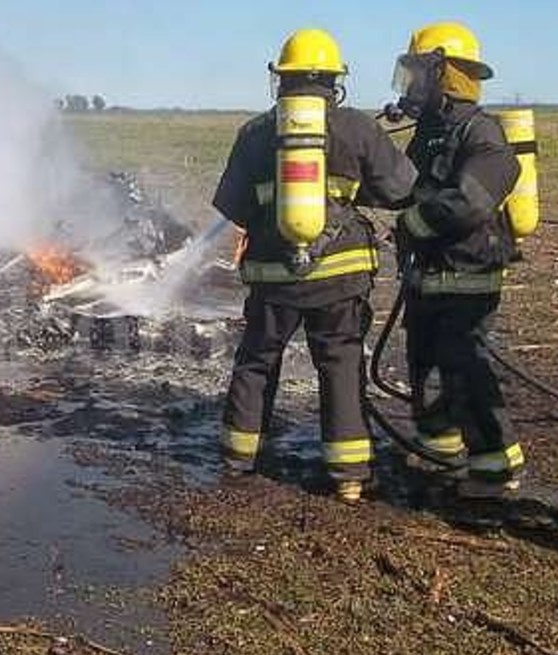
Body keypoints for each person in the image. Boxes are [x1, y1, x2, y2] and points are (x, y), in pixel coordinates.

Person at [214, 28, 416, 502]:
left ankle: (238, 457)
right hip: (340, 276)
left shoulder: (255, 133)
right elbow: (400, 189)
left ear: (280, 79)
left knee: (257, 362)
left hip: (272, 278)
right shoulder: (357, 127)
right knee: (340, 364)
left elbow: (236, 206)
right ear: (333, 80)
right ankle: (348, 476)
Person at [390, 22, 523, 499]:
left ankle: (492, 467)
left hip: (468, 275)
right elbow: (405, 186)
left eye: (418, 73)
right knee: (424, 364)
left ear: (442, 74)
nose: (410, 85)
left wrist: (413, 225)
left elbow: (471, 202)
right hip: (428, 276)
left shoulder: (481, 131)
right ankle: (439, 452)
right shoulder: (429, 132)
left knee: (463, 367)